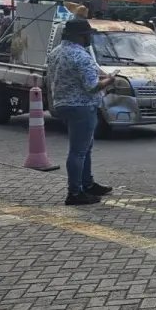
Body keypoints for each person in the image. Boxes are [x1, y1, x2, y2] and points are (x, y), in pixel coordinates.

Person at [46, 19, 114, 205]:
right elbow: (92, 87)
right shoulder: (81, 56)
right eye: (87, 35)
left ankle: (87, 183)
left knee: (84, 148)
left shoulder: (56, 53)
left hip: (63, 104)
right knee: (78, 151)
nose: (88, 38)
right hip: (82, 106)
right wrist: (109, 81)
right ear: (78, 36)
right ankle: (75, 192)